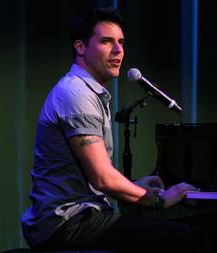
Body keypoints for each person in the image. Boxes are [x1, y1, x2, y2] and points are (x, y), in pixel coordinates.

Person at [21, 7, 203, 253]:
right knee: (183, 237)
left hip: (79, 218)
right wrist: (159, 199)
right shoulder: (77, 94)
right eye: (107, 41)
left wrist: (135, 185)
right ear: (80, 47)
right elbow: (103, 178)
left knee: (170, 230)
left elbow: (95, 179)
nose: (118, 51)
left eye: (121, 42)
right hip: (67, 224)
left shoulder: (87, 91)